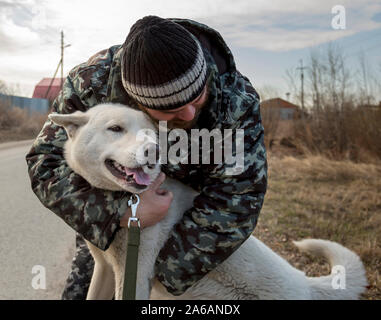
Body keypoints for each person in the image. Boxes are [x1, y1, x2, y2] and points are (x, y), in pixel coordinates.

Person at [26, 15, 267, 299]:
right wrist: (120, 212)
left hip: (191, 219)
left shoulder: (236, 101)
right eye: (172, 110)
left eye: (198, 96)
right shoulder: (92, 83)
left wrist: (157, 276)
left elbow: (237, 200)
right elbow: (46, 164)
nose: (189, 115)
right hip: (108, 206)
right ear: (136, 101)